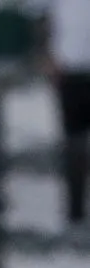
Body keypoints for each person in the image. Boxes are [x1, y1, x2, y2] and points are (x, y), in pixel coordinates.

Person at [38, 1, 90, 229]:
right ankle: (75, 212)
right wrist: (48, 57)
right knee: (73, 144)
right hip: (70, 70)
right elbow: (42, 18)